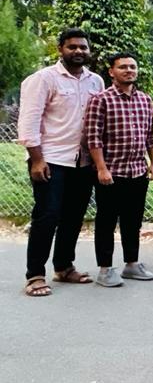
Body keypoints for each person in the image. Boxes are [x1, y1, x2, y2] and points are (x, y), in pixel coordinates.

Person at [19, 28, 104, 296]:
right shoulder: (44, 79)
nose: (79, 51)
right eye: (72, 47)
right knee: (47, 216)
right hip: (51, 160)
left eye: (83, 47)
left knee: (73, 217)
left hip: (82, 162)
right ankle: (34, 275)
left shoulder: (95, 82)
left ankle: (64, 267)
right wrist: (36, 159)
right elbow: (29, 121)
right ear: (60, 50)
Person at [84, 53, 153, 287]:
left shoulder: (145, 100)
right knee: (106, 221)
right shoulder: (101, 100)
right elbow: (93, 138)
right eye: (123, 67)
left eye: (132, 66)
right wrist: (101, 168)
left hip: (138, 171)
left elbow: (151, 137)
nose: (129, 70)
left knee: (133, 221)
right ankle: (105, 269)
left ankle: (132, 264)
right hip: (111, 173)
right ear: (111, 72)